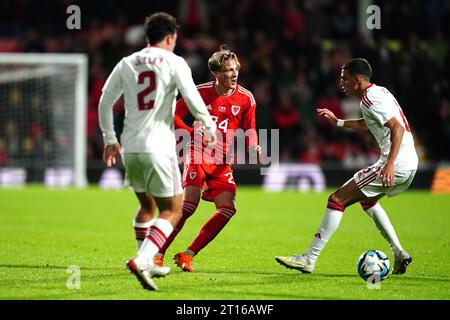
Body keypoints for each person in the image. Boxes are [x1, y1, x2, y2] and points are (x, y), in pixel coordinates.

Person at [98, 12, 216, 290]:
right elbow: (192, 98)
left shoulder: (127, 62)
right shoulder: (174, 61)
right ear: (169, 37)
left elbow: (105, 101)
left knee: (146, 206)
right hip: (159, 147)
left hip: (131, 147)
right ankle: (142, 259)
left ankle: (148, 263)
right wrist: (209, 126)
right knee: (173, 209)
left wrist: (108, 138)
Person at [276, 58, 418, 275]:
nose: (341, 82)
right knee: (368, 202)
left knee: (336, 199)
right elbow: (367, 123)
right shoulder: (376, 94)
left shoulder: (371, 99)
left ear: (357, 80)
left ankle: (308, 259)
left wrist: (389, 164)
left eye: (345, 78)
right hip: (409, 164)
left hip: (396, 163)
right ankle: (399, 253)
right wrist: (338, 122)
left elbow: (397, 128)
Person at [154, 46, 261, 272]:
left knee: (227, 210)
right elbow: (172, 114)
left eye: (235, 69)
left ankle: (187, 254)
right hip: (197, 152)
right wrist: (191, 132)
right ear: (216, 73)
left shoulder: (246, 99)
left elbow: (250, 130)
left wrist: (254, 146)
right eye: (228, 70)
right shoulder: (200, 92)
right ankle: (157, 254)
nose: (234, 74)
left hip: (222, 161)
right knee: (189, 206)